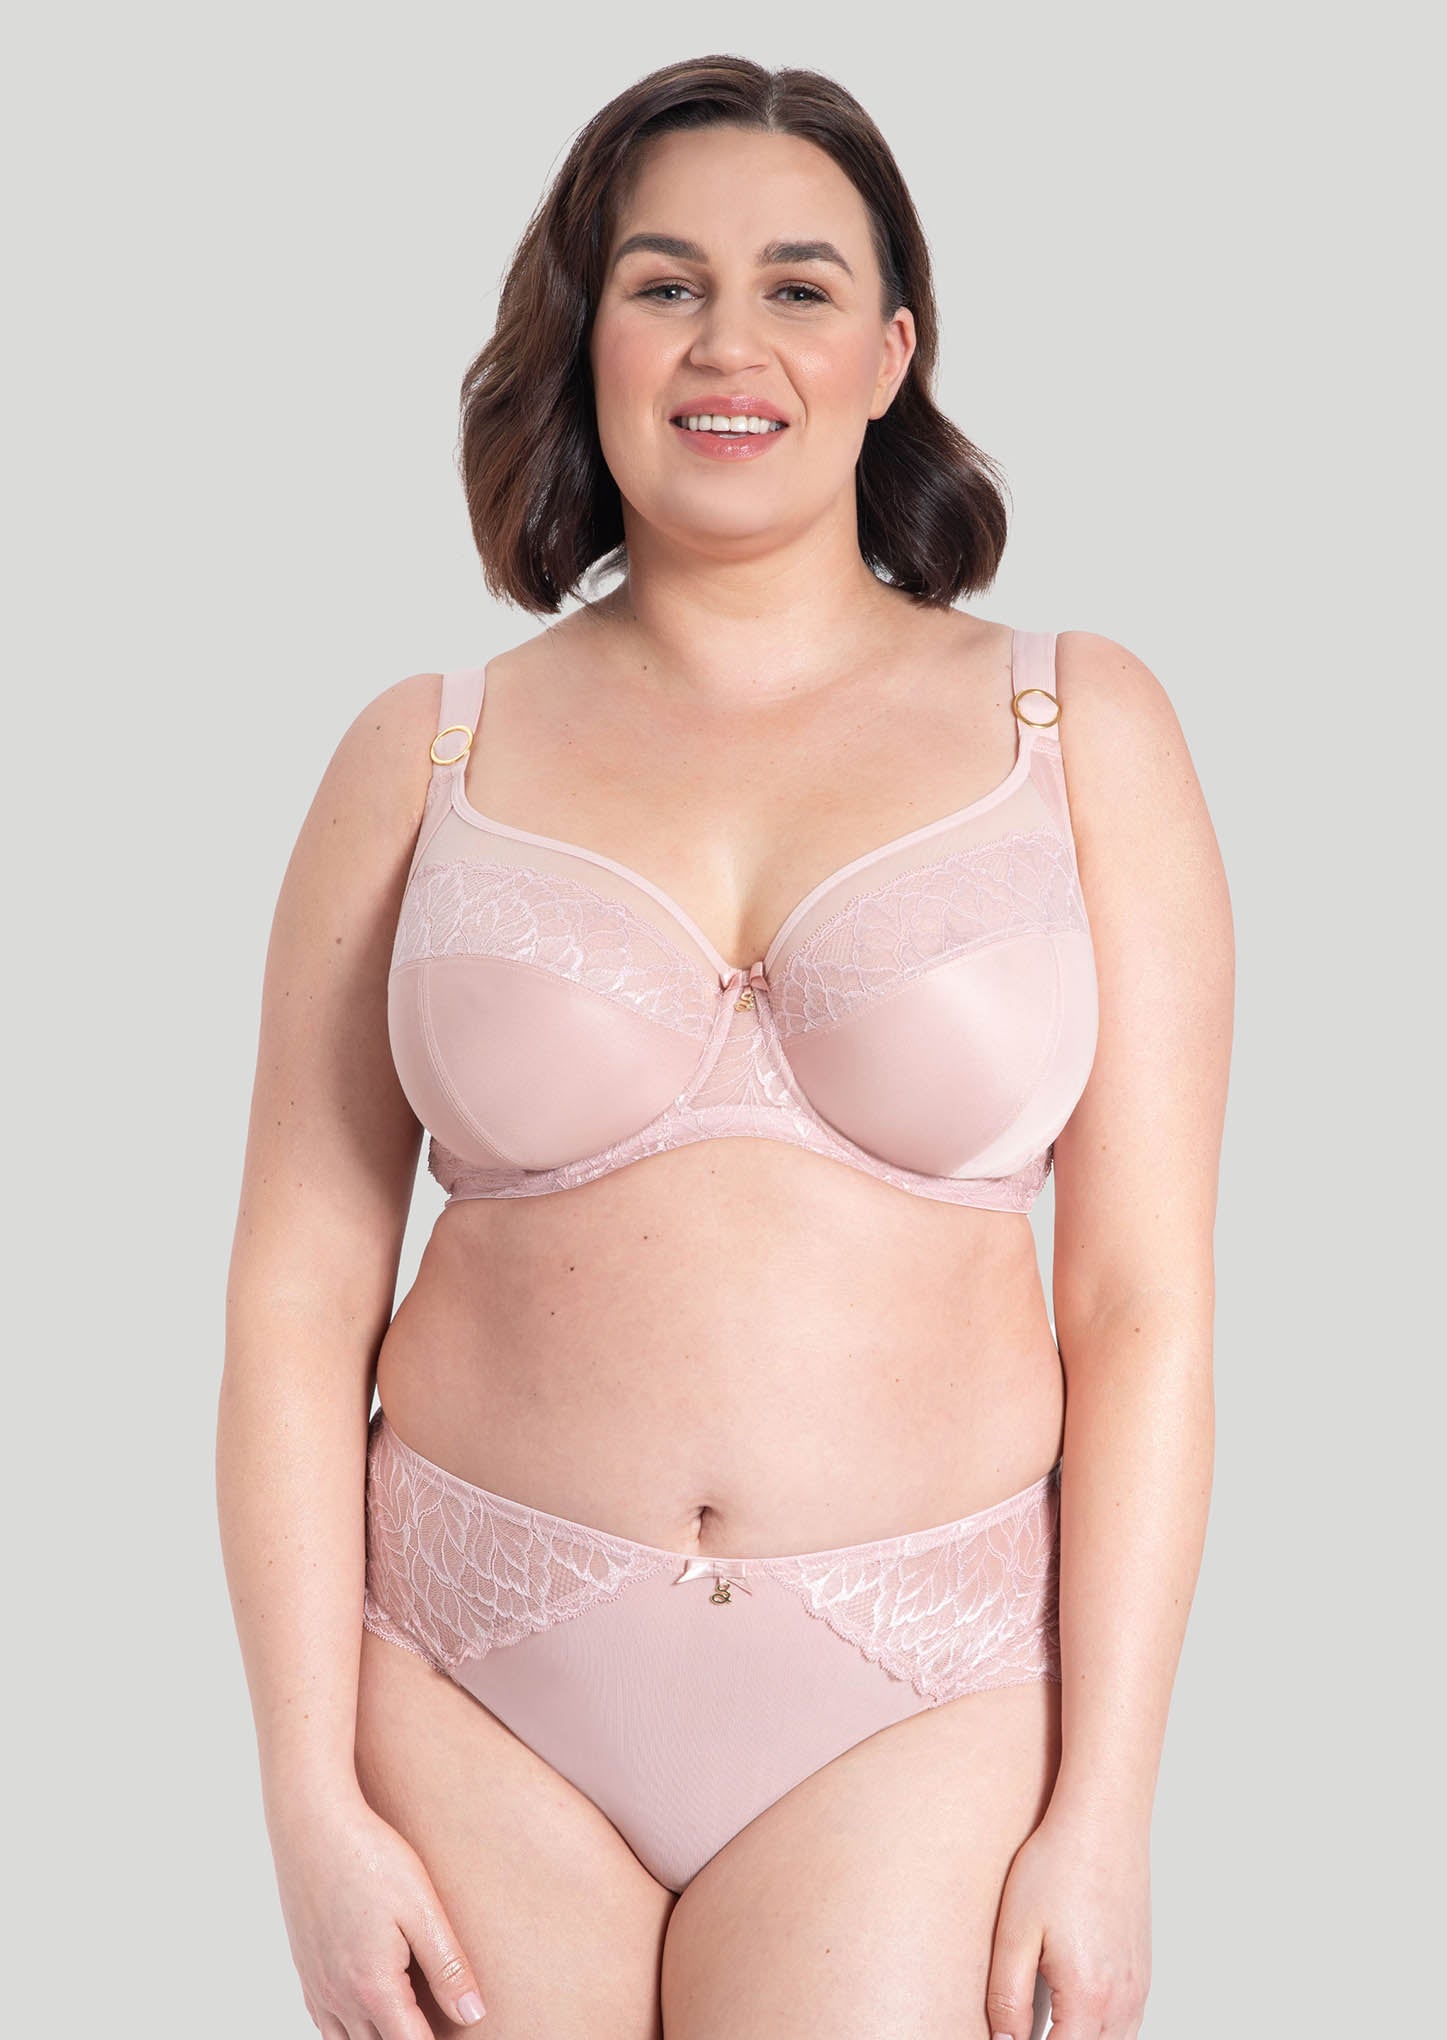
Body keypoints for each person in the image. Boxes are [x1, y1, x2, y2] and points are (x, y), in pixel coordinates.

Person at [219, 52, 1232, 2040]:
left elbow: (1140, 1310)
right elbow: (292, 1302)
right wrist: (305, 1804)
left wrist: (1108, 1809)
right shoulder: (422, 750)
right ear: (588, 333)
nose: (727, 343)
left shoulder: (1077, 728)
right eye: (664, 283)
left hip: (920, 1703)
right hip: (469, 1682)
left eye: (798, 285)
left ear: (891, 352)